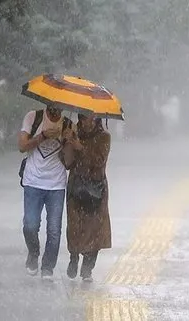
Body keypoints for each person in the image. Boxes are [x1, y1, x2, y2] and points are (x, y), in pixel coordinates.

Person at [17, 104, 73, 280]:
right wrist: (42, 136)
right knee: (30, 225)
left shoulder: (68, 125)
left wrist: (67, 141)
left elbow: (69, 162)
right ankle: (33, 253)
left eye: (61, 107)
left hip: (56, 185)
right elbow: (22, 146)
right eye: (54, 106)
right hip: (33, 181)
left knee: (54, 229)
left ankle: (48, 267)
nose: (57, 110)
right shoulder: (34, 117)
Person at [62, 114, 112, 282]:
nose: (86, 121)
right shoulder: (74, 132)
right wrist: (68, 143)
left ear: (97, 119)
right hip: (76, 186)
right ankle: (74, 257)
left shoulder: (104, 137)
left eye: (90, 118)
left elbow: (99, 161)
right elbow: (67, 163)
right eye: (83, 117)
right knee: (75, 225)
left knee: (96, 230)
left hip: (96, 189)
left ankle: (88, 267)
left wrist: (80, 147)